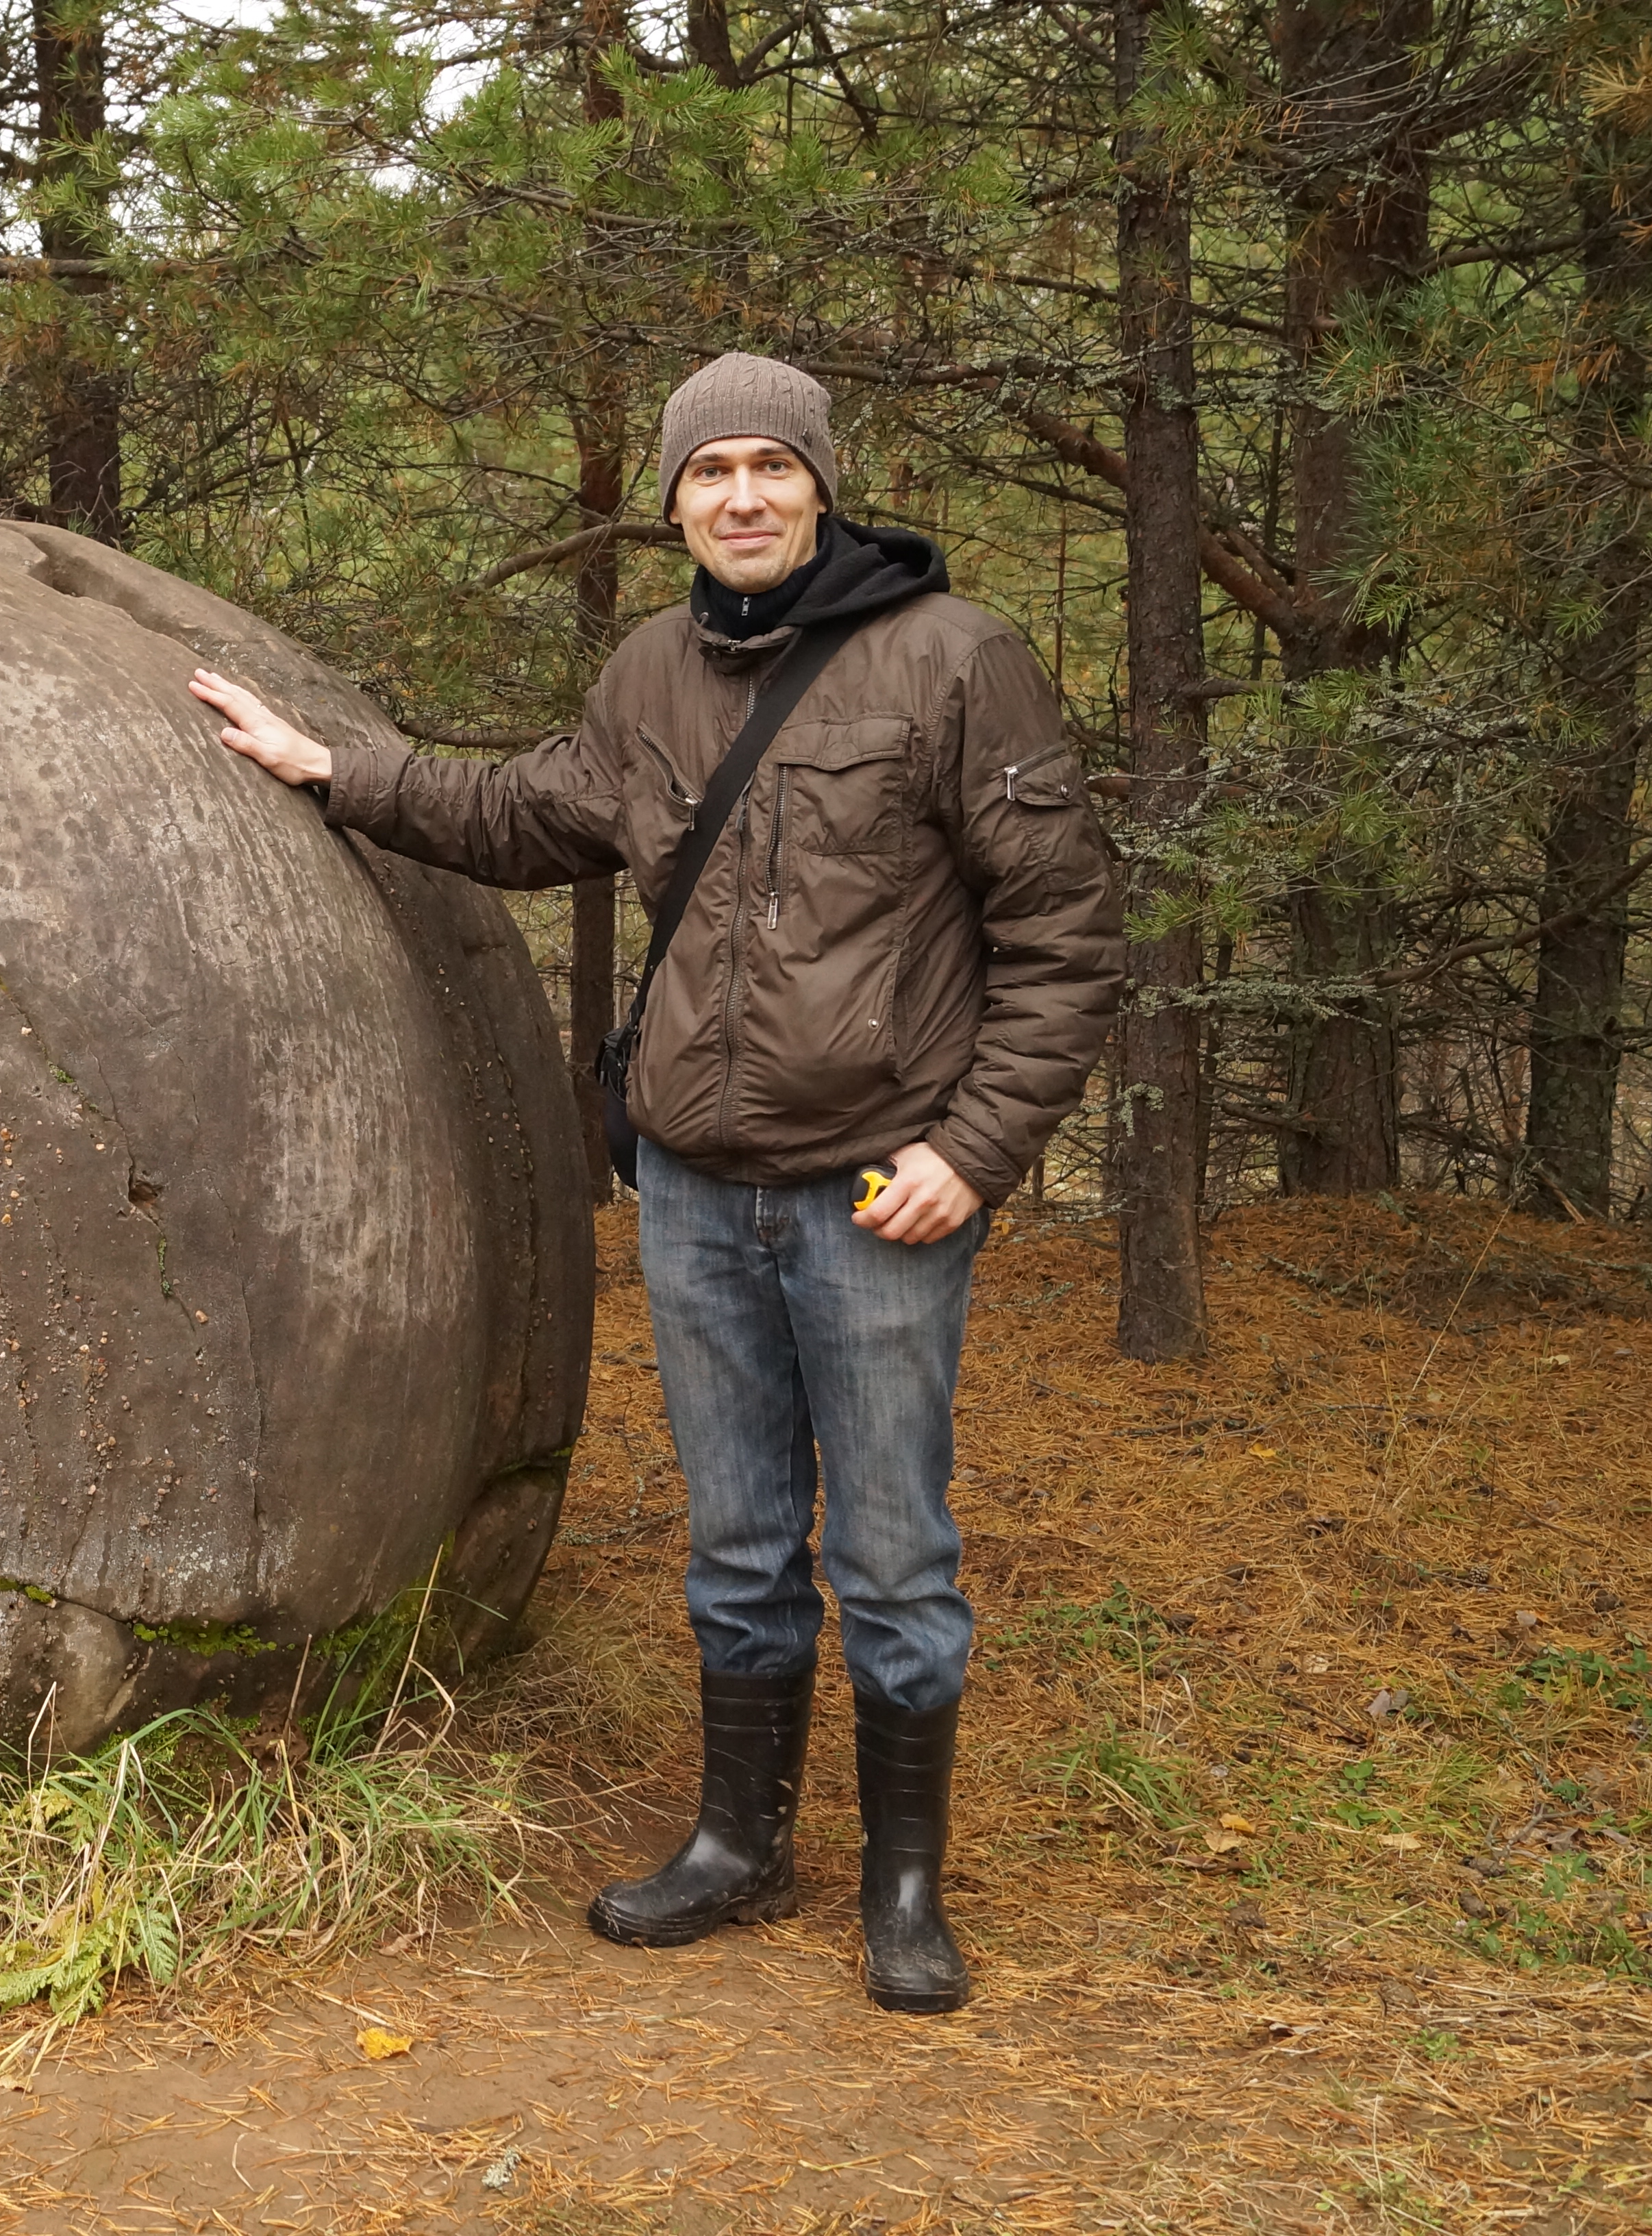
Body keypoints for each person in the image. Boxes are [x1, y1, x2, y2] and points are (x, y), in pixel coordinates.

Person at [188, 351, 1124, 2014]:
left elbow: (1061, 939)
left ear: (823, 483)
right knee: (739, 1540)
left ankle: (900, 1888)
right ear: (675, 502)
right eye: (711, 474)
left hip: (873, 1196)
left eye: (772, 466)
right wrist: (329, 767)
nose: (743, 497)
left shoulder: (955, 660)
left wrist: (970, 1153)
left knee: (894, 1553)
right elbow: (524, 811)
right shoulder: (653, 670)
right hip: (694, 1190)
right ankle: (735, 1844)